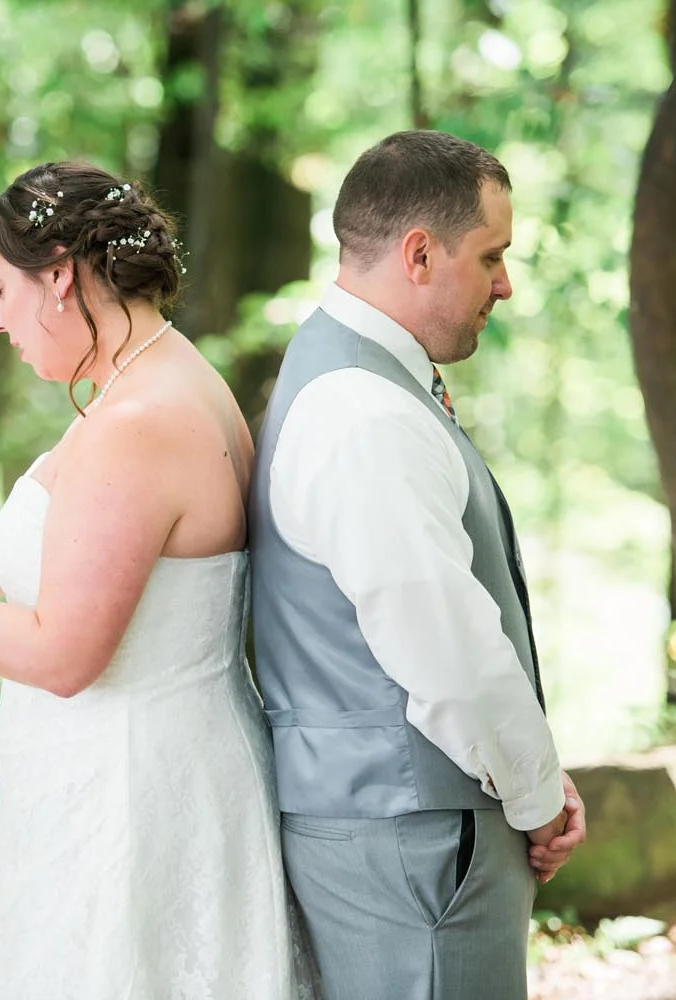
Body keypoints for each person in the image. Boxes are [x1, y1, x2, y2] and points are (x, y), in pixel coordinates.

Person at [0, 162, 313, 998]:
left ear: (58, 274)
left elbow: (65, 653)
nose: (0, 320)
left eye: (0, 290)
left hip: (132, 791)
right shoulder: (163, 374)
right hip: (154, 764)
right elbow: (82, 570)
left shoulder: (137, 422)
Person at [248, 129, 587, 999]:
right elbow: (446, 646)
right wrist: (539, 795)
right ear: (421, 253)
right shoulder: (363, 411)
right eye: (492, 256)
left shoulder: (353, 379)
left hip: (400, 833)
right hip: (416, 849)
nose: (505, 284)